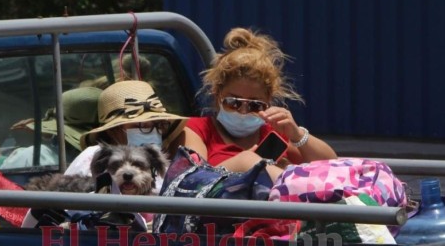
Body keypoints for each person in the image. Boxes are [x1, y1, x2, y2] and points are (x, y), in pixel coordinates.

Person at [183, 27, 337, 182]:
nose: (243, 111)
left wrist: (297, 134)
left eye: (254, 106)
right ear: (217, 95)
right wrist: (245, 163)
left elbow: (333, 168)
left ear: (268, 102)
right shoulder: (198, 130)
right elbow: (192, 179)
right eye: (233, 102)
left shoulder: (275, 133)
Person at [65, 79, 188, 178]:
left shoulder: (158, 162)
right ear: (113, 131)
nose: (153, 132)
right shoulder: (93, 158)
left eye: (158, 124)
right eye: (141, 126)